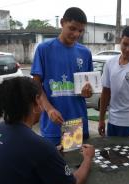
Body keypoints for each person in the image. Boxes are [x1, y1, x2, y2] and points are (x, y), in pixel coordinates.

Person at [0, 77, 95, 184]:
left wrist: (51, 152)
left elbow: (18, 156)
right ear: (36, 102)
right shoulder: (39, 146)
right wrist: (88, 158)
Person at [31, 7, 93, 146]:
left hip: (76, 123)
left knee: (74, 165)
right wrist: (49, 109)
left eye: (80, 31)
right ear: (62, 22)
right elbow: (36, 84)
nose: (76, 34)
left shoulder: (85, 53)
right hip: (53, 123)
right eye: (72, 28)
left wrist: (87, 92)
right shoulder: (44, 49)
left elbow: (89, 89)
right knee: (52, 166)